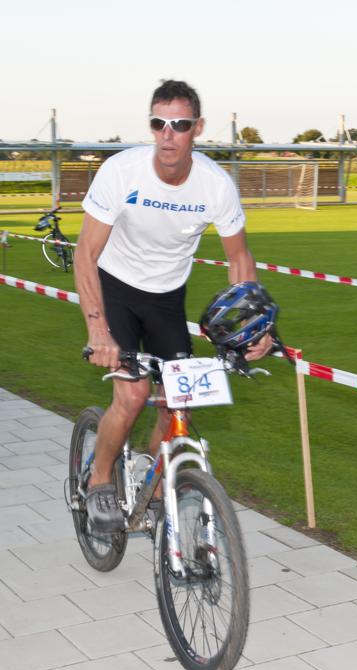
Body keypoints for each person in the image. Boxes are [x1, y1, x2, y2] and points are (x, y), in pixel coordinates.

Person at [75, 79, 272, 532]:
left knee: (178, 404)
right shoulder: (122, 172)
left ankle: (156, 483)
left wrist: (254, 326)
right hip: (116, 289)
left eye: (179, 124)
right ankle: (100, 479)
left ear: (197, 128)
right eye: (158, 124)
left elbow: (239, 258)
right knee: (132, 395)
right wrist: (98, 330)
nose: (168, 135)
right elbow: (86, 253)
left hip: (166, 298)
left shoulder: (214, 185)